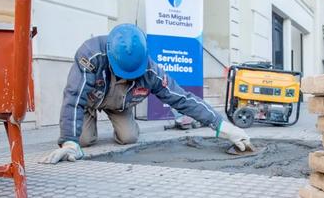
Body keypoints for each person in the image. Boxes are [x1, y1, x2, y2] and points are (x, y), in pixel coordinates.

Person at [41, 24, 252, 164]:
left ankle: (125, 121)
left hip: (120, 104)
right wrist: (69, 141)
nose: (131, 77)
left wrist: (222, 127)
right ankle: (86, 126)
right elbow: (74, 98)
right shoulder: (91, 55)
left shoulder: (151, 72)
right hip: (90, 100)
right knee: (84, 141)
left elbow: (183, 99)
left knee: (129, 137)